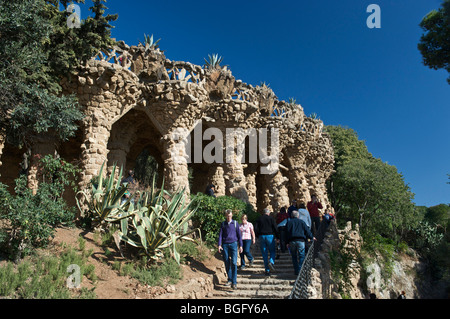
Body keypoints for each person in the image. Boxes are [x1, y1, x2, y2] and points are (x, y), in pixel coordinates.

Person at [218, 209, 243, 289]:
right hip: (225, 244)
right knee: (226, 261)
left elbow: (239, 236)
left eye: (230, 216)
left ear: (231, 216)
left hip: (233, 244)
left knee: (234, 263)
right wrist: (219, 245)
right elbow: (220, 235)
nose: (229, 217)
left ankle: (234, 282)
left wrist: (241, 246)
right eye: (227, 216)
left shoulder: (235, 223)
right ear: (226, 216)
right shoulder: (223, 224)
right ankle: (230, 279)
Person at [286, 210, 315, 276]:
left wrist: (287, 242)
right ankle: (300, 269)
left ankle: (296, 271)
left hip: (292, 241)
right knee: (302, 255)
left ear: (291, 216)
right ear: (298, 216)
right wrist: (311, 237)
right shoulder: (302, 222)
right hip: (301, 241)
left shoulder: (289, 223)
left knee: (294, 256)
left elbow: (287, 233)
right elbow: (307, 231)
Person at [255, 208, 279, 276]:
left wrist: (257, 236)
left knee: (264, 253)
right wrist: (277, 237)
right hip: (270, 236)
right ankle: (271, 262)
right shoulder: (271, 218)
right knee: (272, 251)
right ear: (268, 213)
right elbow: (275, 228)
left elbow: (256, 228)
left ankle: (267, 270)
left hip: (262, 236)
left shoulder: (259, 219)